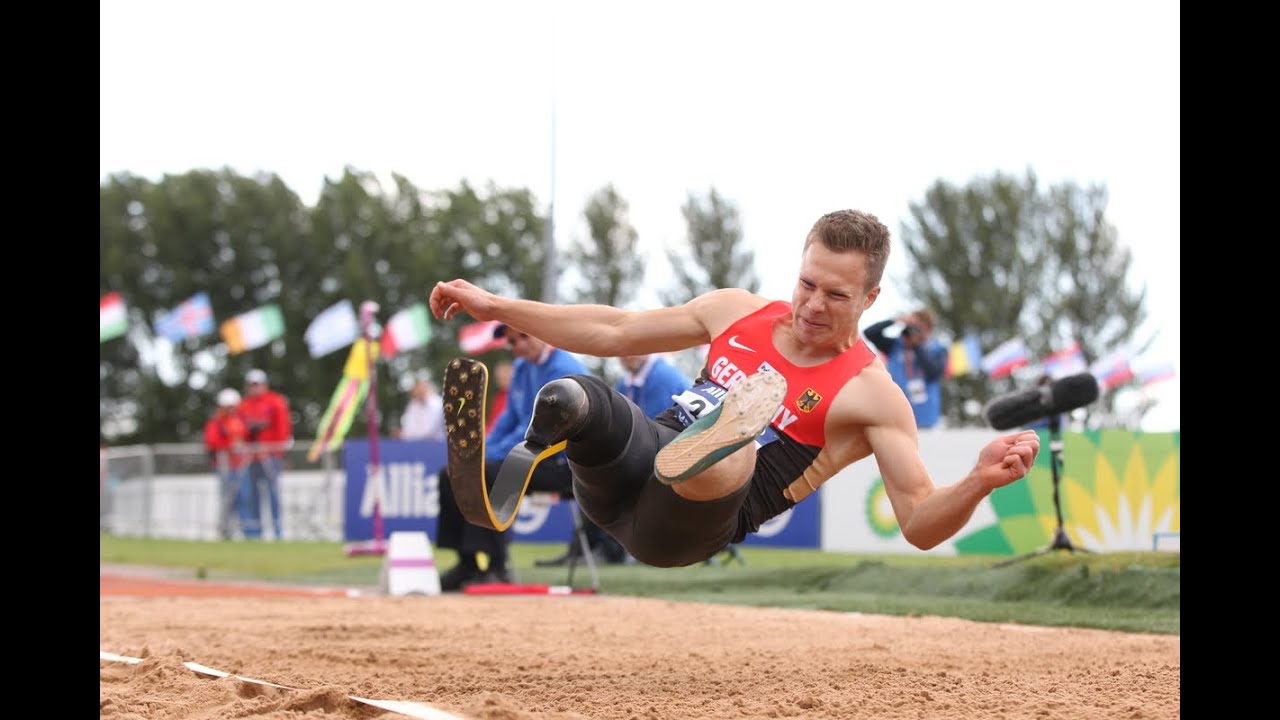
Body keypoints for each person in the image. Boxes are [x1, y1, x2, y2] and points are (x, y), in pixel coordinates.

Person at [429, 208, 1041, 568]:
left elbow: (918, 523)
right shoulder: (736, 311)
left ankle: (722, 439)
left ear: (871, 299)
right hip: (628, 474)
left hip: (692, 523)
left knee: (734, 453)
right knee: (570, 395)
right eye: (807, 284)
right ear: (797, 267)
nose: (812, 306)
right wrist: (496, 306)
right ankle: (518, 467)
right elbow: (613, 328)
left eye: (836, 295)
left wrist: (979, 481)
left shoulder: (871, 392)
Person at [436, 325, 589, 590]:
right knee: (452, 473)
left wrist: (484, 456)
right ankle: (468, 563)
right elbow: (509, 420)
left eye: (523, 337)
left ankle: (498, 565)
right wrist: (476, 451)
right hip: (533, 455)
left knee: (490, 472)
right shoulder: (521, 367)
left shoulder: (564, 371)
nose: (517, 345)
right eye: (511, 341)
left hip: (566, 463)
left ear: (543, 334)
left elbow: (537, 430)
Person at [537, 353, 694, 567]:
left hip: (682, 456)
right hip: (663, 453)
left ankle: (608, 550)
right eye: (623, 351)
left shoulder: (662, 377)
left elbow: (660, 428)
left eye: (633, 349)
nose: (626, 356)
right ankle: (591, 549)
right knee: (598, 475)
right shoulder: (627, 380)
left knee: (606, 478)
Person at [864, 307, 949, 430]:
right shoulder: (896, 346)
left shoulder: (938, 349)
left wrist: (917, 346)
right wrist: (896, 320)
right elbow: (869, 333)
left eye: (918, 326)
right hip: (895, 414)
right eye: (912, 326)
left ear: (929, 328)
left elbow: (933, 373)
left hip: (925, 417)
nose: (914, 330)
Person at [238, 368, 293, 540]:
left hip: (270, 456)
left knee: (273, 494)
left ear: (264, 385)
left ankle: (277, 531)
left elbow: (283, 428)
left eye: (257, 384)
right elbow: (240, 429)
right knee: (252, 495)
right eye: (251, 385)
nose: (254, 388)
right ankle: (255, 533)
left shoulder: (275, 402)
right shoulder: (244, 405)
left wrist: (278, 451)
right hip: (251, 457)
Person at [204, 388, 249, 539]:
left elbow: (245, 438)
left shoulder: (240, 420)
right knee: (227, 500)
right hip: (225, 467)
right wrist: (230, 446)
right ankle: (226, 532)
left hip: (240, 466)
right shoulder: (216, 422)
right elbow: (212, 441)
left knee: (243, 499)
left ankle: (247, 532)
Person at [485, 360, 514, 434]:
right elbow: (493, 422)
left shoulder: (517, 398)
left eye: (505, 377)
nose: (500, 381)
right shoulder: (498, 398)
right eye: (498, 378)